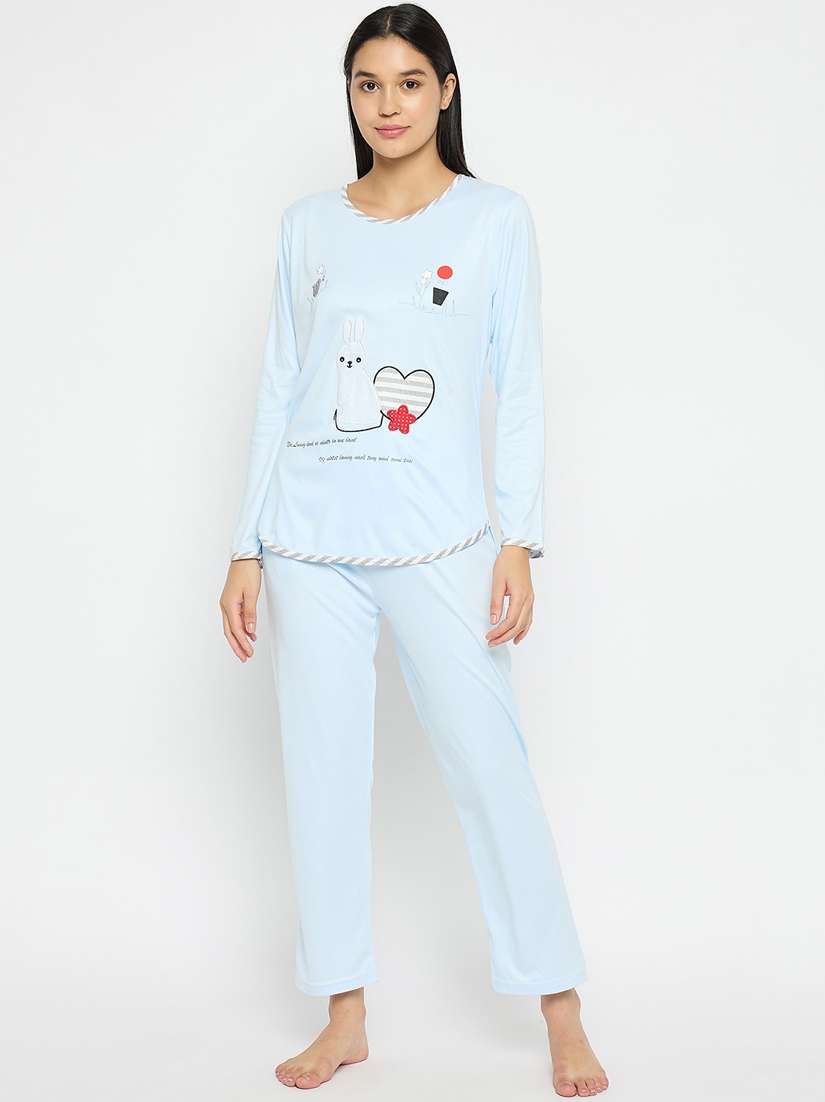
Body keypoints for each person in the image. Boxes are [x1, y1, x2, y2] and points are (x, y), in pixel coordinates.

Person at [219, 4, 609, 1097]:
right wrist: (246, 545)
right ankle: (343, 1014)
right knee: (321, 772)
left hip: (441, 537)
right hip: (308, 540)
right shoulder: (308, 224)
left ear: (445, 89)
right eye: (366, 84)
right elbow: (279, 384)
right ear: (348, 97)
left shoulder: (493, 219)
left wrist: (519, 537)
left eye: (406, 82)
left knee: (491, 767)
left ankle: (560, 1007)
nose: (385, 104)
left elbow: (517, 383)